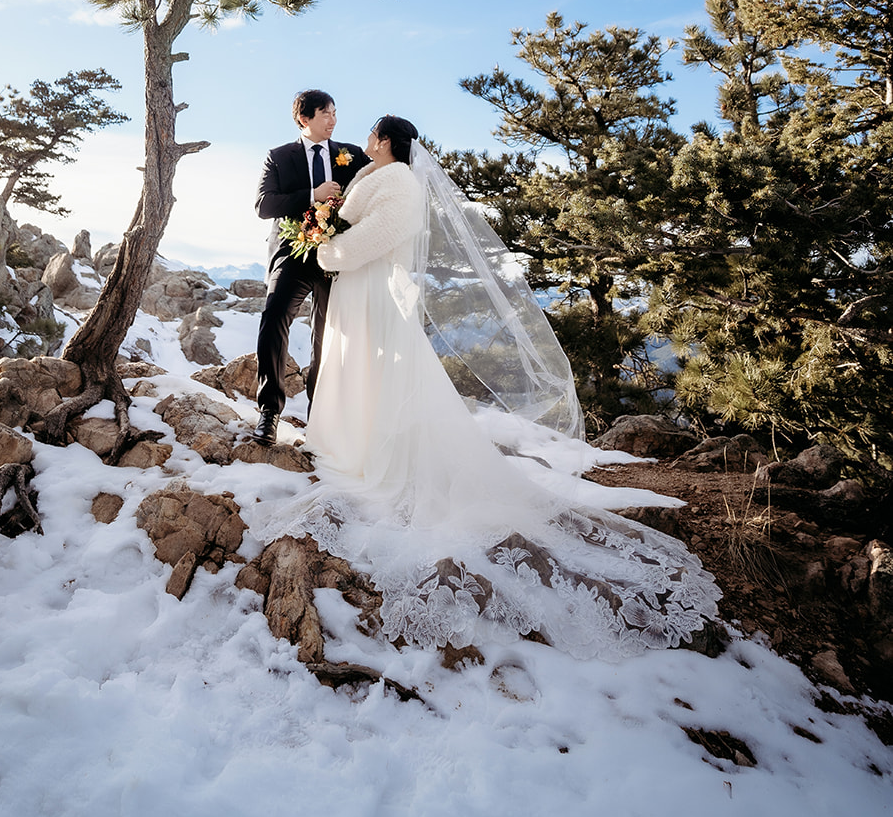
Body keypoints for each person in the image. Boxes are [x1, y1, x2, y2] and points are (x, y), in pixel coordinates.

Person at [266, 113, 722, 660]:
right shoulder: (375, 176)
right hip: (358, 295)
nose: (362, 141)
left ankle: (376, 450)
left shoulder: (398, 183)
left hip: (371, 296)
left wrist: (325, 247)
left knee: (384, 376)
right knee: (366, 372)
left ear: (385, 141)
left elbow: (370, 239)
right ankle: (354, 438)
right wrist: (325, 226)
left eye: (371, 135)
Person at [252, 89, 368, 446]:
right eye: (325, 114)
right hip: (293, 253)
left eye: (335, 113)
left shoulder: (351, 155)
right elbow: (263, 204)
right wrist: (312, 195)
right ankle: (269, 412)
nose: (333, 120)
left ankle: (320, 415)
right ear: (304, 118)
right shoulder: (279, 157)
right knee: (273, 319)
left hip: (339, 257)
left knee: (328, 335)